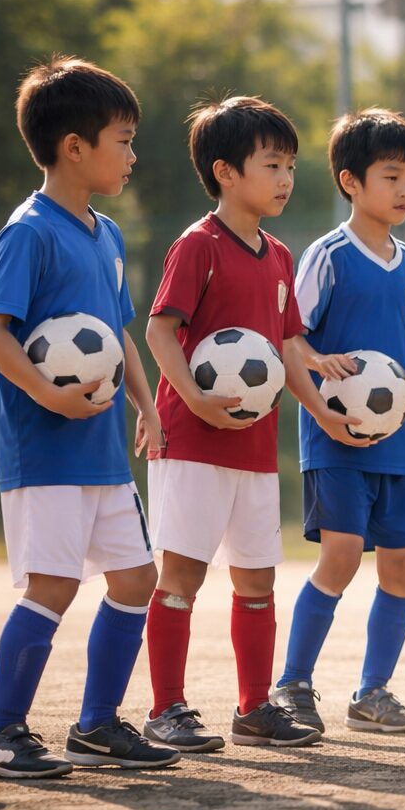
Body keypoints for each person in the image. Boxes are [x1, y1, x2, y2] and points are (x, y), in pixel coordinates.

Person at [0, 57, 180, 777]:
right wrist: (47, 394)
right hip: (47, 448)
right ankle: (1, 734)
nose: (131, 155)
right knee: (54, 588)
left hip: (100, 451)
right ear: (74, 146)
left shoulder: (106, 234)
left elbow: (116, 330)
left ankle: (96, 727)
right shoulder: (29, 231)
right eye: (122, 140)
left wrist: (146, 401)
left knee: (135, 578)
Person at [140, 96, 350, 751]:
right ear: (227, 172)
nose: (286, 178)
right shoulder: (197, 246)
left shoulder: (281, 256)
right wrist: (195, 403)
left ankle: (254, 707)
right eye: (272, 164)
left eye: (290, 165)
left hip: (255, 449)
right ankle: (166, 709)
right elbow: (159, 329)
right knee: (181, 578)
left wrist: (322, 412)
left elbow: (287, 351)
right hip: (193, 442)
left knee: (256, 579)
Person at [272, 108, 405, 735]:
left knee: (403, 563)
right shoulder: (327, 256)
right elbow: (290, 338)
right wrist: (318, 384)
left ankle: (372, 694)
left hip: (396, 444)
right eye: (392, 176)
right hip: (335, 437)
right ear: (351, 181)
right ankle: (293, 685)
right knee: (343, 554)